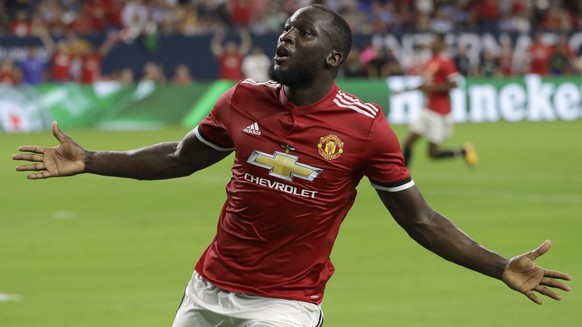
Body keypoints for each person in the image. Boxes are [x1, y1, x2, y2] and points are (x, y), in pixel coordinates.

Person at [13, 5, 571, 327]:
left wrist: (500, 266)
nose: (285, 36)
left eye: (302, 32)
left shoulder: (365, 128)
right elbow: (179, 159)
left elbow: (420, 221)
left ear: (333, 57)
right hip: (205, 292)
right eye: (284, 27)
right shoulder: (241, 100)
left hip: (283, 308)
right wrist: (90, 160)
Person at [399, 33, 477, 168]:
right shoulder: (429, 62)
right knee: (408, 143)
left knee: (433, 154)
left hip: (440, 113)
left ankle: (464, 152)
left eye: (434, 41)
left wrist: (431, 88)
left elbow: (454, 84)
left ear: (441, 44)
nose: (431, 44)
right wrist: (405, 91)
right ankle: (402, 176)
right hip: (428, 110)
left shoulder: (445, 61)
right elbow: (426, 85)